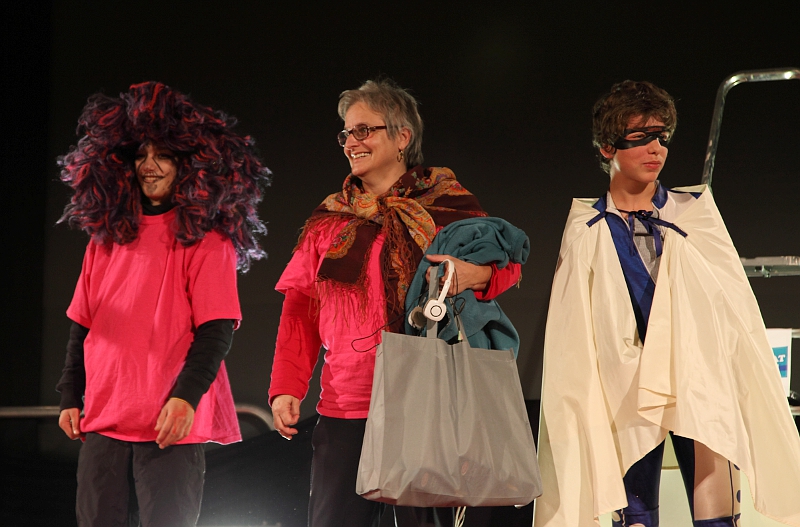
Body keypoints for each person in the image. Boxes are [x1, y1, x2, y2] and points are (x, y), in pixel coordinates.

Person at [534, 80, 800, 527]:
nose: (655, 148)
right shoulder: (587, 228)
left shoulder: (693, 214)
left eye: (661, 136)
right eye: (640, 137)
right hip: (627, 388)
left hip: (699, 381)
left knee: (717, 512)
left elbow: (732, 308)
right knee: (636, 515)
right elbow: (574, 331)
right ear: (607, 147)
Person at [268, 78, 525, 527]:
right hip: (346, 404)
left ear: (402, 137)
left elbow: (509, 266)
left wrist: (476, 275)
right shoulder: (330, 220)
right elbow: (301, 307)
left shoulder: (444, 205)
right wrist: (287, 385)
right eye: (346, 133)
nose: (352, 142)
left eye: (364, 130)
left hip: (423, 401)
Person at [56, 81, 270, 527]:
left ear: (190, 164)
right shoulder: (107, 237)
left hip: (170, 421)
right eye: (141, 155)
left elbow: (216, 331)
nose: (149, 166)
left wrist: (186, 398)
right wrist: (70, 395)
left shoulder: (207, 239)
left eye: (164, 155)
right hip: (104, 417)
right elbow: (83, 325)